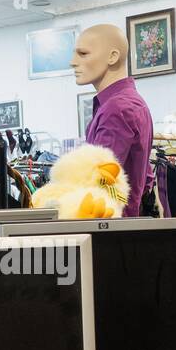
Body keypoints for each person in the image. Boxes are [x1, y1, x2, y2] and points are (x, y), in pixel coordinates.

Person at [70, 24, 154, 217]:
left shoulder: (117, 109)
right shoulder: (129, 103)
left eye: (83, 54)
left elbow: (98, 184)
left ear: (112, 57)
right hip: (119, 226)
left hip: (108, 230)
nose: (72, 62)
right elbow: (146, 177)